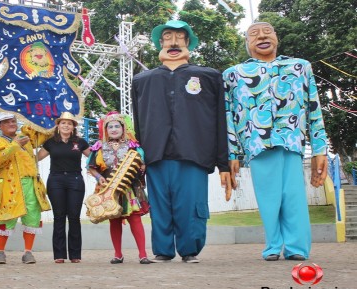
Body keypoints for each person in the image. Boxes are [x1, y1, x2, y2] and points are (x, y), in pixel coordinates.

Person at [223, 22, 328, 261]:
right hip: (257, 143)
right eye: (254, 34)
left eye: (267, 31)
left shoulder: (300, 67)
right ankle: (272, 245)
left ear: (277, 38)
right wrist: (232, 154)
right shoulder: (233, 74)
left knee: (294, 196)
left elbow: (314, 108)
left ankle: (297, 248)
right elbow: (227, 115)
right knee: (268, 197)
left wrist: (319, 148)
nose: (261, 36)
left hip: (291, 140)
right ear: (247, 44)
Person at [131, 20, 232, 263]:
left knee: (191, 206)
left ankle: (190, 250)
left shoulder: (209, 77)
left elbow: (220, 120)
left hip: (195, 154)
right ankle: (163, 250)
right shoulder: (142, 80)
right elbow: (137, 122)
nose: (173, 42)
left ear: (188, 43)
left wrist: (224, 163)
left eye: (179, 37)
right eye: (167, 37)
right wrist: (139, 159)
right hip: (156, 154)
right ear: (160, 43)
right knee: (160, 206)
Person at [0, 113, 51, 264]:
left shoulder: (27, 137)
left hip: (30, 184)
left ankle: (28, 252)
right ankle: (0, 252)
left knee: (32, 218)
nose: (11, 124)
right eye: (6, 122)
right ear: (0, 126)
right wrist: (14, 146)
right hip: (8, 185)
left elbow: (45, 130)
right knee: (5, 218)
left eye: (13, 121)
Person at [87, 111, 153, 264]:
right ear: (106, 129)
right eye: (110, 127)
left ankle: (143, 255)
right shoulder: (99, 147)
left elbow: (142, 165)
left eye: (117, 126)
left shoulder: (133, 147)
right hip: (108, 189)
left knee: (135, 219)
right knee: (114, 220)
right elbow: (91, 167)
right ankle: (118, 254)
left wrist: (142, 168)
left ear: (123, 128)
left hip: (128, 188)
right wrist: (99, 177)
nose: (114, 129)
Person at [37, 112, 90, 263]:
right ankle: (59, 254)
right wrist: (28, 145)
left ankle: (75, 255)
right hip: (56, 180)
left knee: (74, 217)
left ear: (73, 126)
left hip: (75, 179)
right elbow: (36, 157)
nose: (66, 125)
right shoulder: (51, 142)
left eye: (69, 123)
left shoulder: (80, 142)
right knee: (59, 216)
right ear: (58, 126)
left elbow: (93, 158)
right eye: (63, 123)